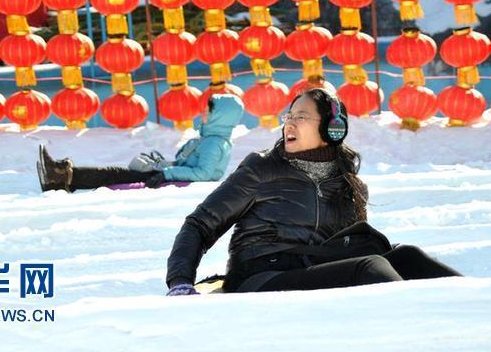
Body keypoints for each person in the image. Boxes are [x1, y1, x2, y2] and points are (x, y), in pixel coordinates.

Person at [166, 88, 461, 296]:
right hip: (261, 276)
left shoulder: (345, 179)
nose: (290, 123)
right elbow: (199, 224)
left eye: (302, 117)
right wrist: (180, 281)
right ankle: (420, 318)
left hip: (314, 267)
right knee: (370, 267)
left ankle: (478, 302)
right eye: (289, 116)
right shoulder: (262, 168)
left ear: (332, 129)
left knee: (407, 255)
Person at [37, 94, 245, 193]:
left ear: (222, 116)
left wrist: (166, 173)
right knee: (117, 172)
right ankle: (63, 174)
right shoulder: (209, 139)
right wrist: (165, 166)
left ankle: (62, 176)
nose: (204, 112)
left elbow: (204, 174)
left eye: (210, 110)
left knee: (114, 174)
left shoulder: (214, 143)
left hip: (173, 179)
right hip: (171, 174)